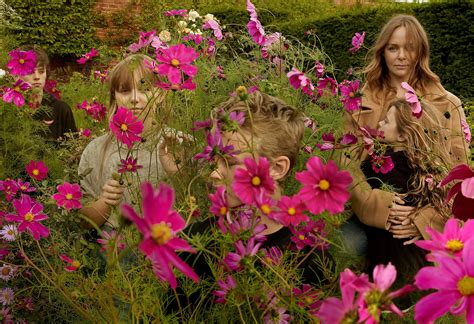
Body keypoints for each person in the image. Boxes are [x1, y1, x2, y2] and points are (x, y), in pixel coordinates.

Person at [345, 14, 470, 239]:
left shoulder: (447, 103)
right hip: (367, 216)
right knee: (347, 247)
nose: (401, 56)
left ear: (420, 52)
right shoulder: (358, 101)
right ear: (382, 52)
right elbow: (344, 163)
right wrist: (376, 204)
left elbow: (459, 172)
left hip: (428, 213)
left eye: (409, 48)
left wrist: (424, 220)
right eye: (393, 48)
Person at [78, 54, 180, 229]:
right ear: (115, 97)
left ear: (161, 94)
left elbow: (200, 213)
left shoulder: (177, 144)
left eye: (145, 89)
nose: (134, 98)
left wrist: (180, 174)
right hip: (114, 248)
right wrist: (104, 202)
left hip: (166, 247)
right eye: (124, 91)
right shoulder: (96, 150)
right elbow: (82, 224)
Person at [361, 99, 451, 282]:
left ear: (402, 135)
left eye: (386, 121)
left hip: (386, 260)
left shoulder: (382, 165)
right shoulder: (428, 171)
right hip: (419, 260)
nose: (379, 124)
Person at [17, 45, 77, 141]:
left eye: (41, 71)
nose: (37, 76)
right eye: (30, 71)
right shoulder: (10, 110)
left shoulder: (61, 110)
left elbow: (74, 149)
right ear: (17, 75)